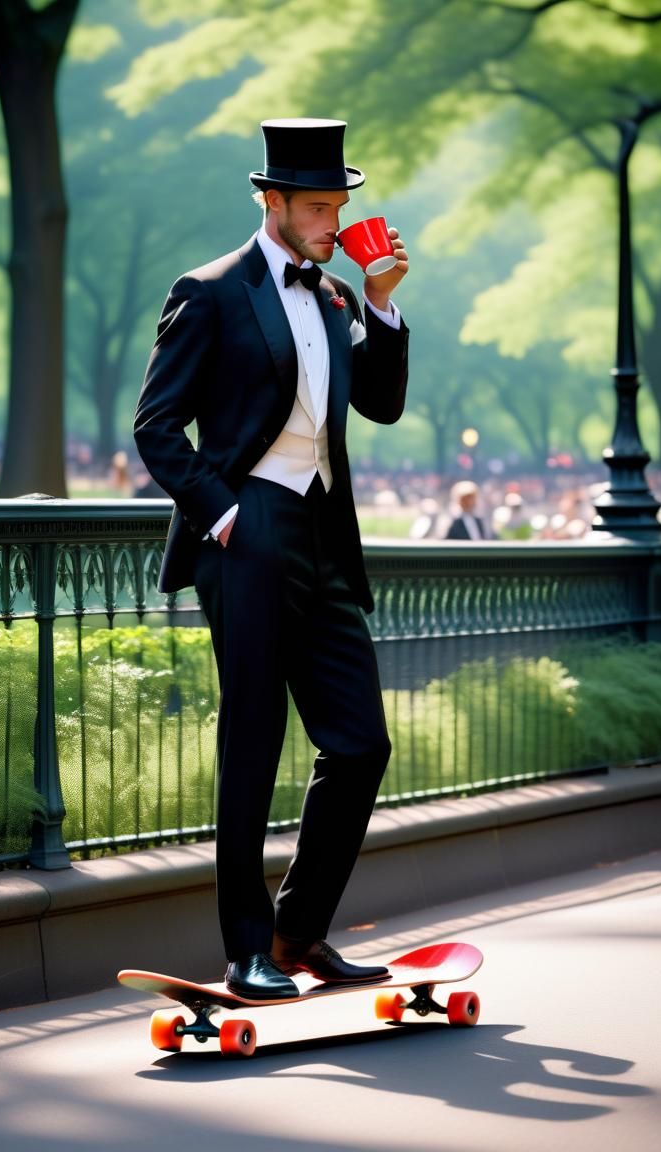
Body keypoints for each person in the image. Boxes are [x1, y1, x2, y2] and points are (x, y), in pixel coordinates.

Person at [134, 118, 409, 999]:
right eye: (319, 206)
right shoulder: (209, 290)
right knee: (252, 742)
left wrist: (382, 299)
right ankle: (245, 947)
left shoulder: (333, 298)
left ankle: (299, 934)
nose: (333, 221)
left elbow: (384, 405)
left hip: (326, 536)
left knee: (361, 743)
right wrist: (221, 518)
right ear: (273, 202)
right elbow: (155, 426)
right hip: (246, 534)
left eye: (340, 206)